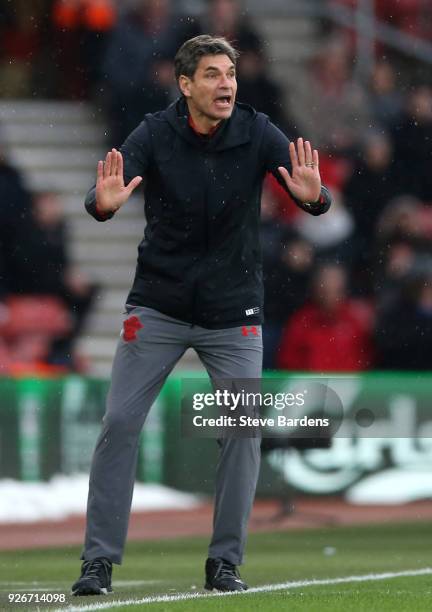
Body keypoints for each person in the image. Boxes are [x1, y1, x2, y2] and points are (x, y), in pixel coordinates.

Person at [71, 34, 331, 597]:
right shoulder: (153, 133)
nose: (227, 85)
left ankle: (224, 564)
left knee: (242, 432)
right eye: (213, 75)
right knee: (119, 424)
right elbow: (102, 194)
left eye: (230, 74)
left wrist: (315, 199)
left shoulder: (259, 130)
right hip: (157, 306)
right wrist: (101, 204)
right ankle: (98, 564)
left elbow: (314, 193)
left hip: (233, 310)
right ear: (185, 85)